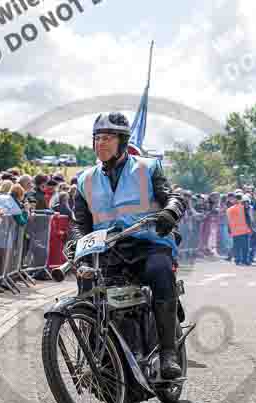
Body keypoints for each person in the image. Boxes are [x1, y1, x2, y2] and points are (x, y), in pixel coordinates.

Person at [67, 112, 186, 379]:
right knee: (88, 286)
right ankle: (97, 356)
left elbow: (174, 196)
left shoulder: (147, 167)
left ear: (122, 141)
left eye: (107, 138)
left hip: (148, 244)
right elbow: (79, 223)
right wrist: (76, 244)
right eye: (97, 138)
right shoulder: (85, 179)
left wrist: (170, 213)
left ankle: (168, 353)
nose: (100, 144)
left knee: (160, 271)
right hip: (109, 250)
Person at [227, 193, 252, 265]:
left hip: (235, 231)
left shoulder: (229, 210)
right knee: (245, 247)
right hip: (244, 230)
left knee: (236, 246)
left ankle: (237, 260)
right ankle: (245, 260)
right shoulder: (243, 207)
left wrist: (229, 230)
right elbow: (248, 218)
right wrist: (250, 228)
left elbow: (228, 221)